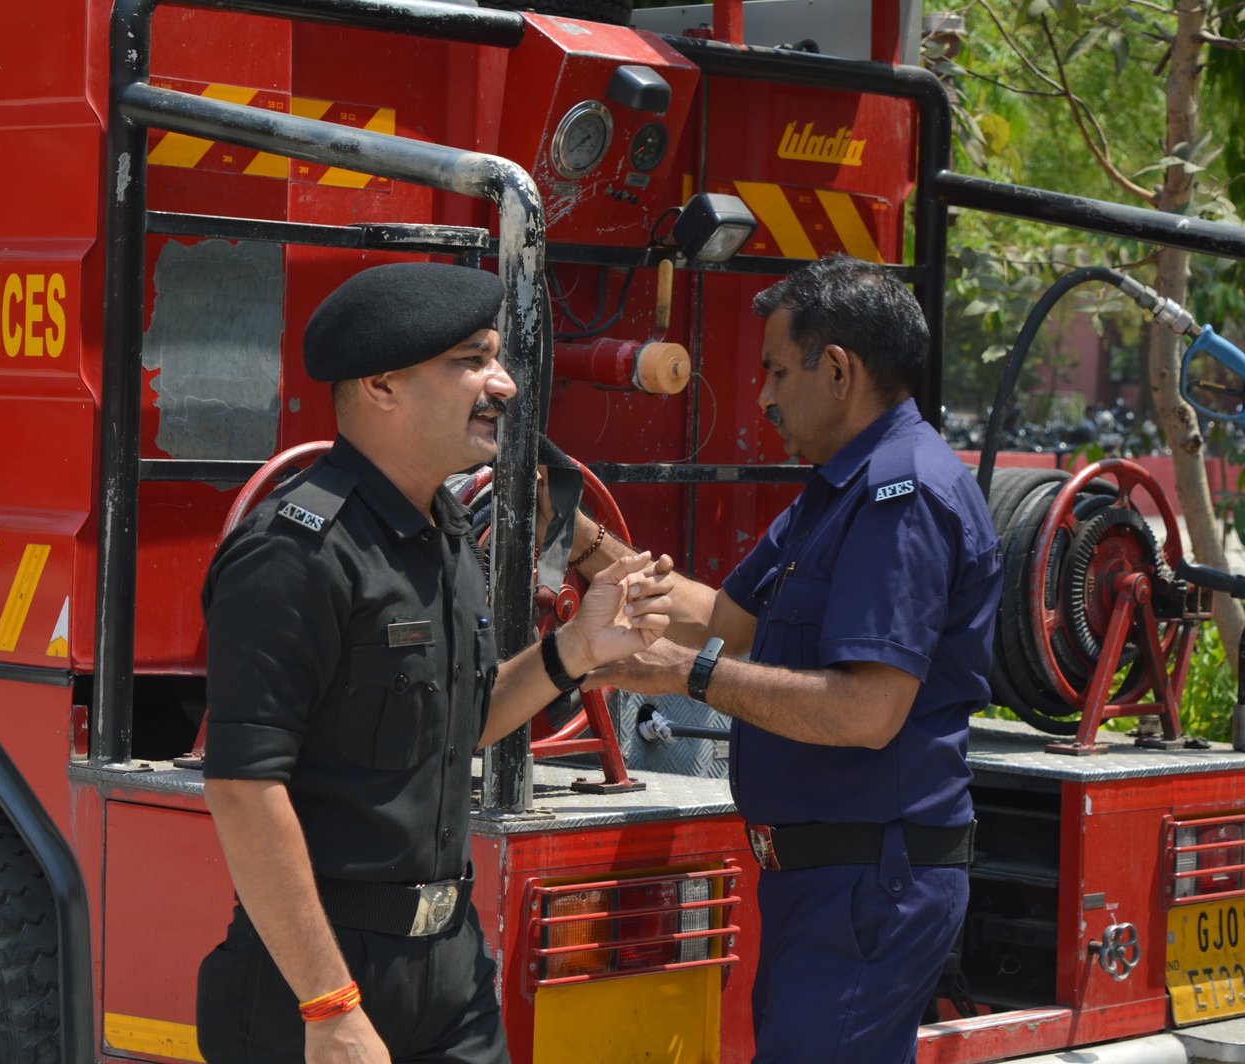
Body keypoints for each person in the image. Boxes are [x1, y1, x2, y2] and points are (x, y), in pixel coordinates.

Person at [196, 261, 671, 1064]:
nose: (504, 385)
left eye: (497, 358)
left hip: (449, 972)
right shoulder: (296, 552)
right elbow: (244, 789)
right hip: (317, 979)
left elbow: (462, 721)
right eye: (472, 361)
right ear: (382, 386)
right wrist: (329, 1004)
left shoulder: (444, 533)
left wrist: (576, 651)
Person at [576, 255, 1003, 1062]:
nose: (762, 398)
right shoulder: (839, 490)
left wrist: (686, 676)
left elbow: (866, 712)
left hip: (868, 885)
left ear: (837, 371)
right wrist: (575, 533)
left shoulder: (902, 495)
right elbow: (721, 621)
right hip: (828, 883)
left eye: (775, 371)